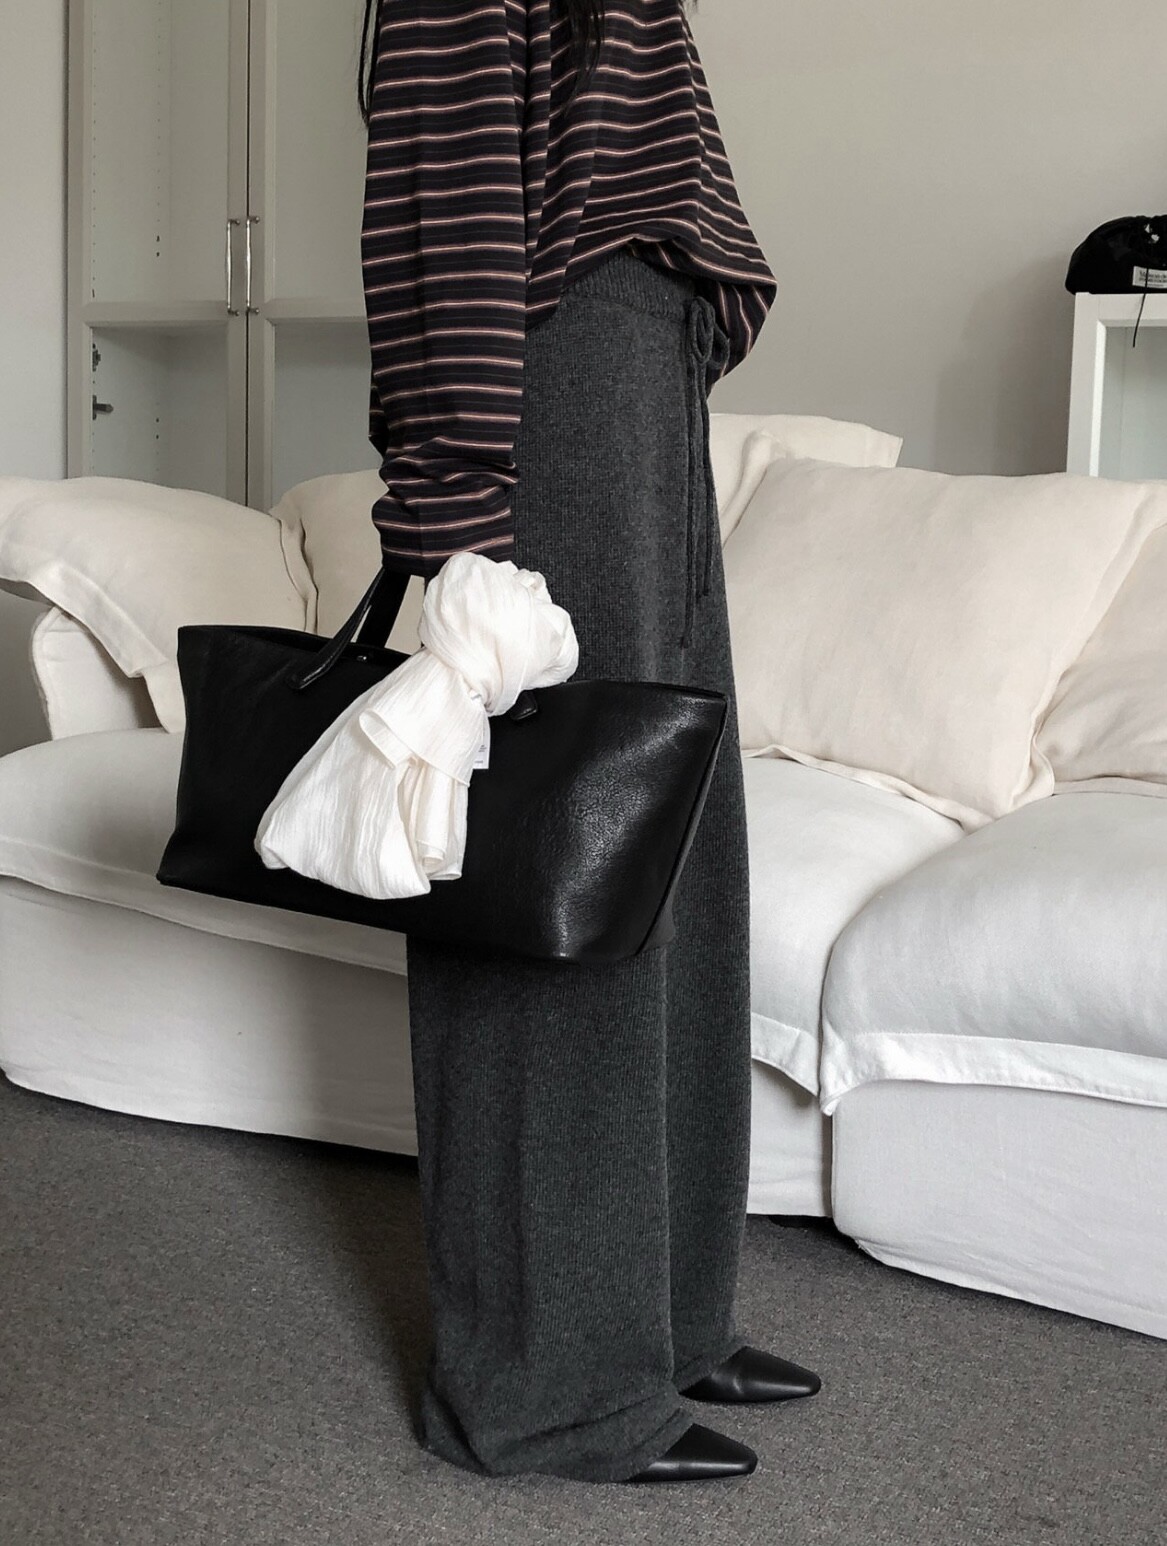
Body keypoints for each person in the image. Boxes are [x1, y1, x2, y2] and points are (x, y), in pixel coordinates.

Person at [355, 0, 821, 1484]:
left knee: (671, 846)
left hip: (638, 364)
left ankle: (663, 1324)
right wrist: (454, 510)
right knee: (545, 858)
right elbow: (439, 167)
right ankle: (545, 1388)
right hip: (548, 372)